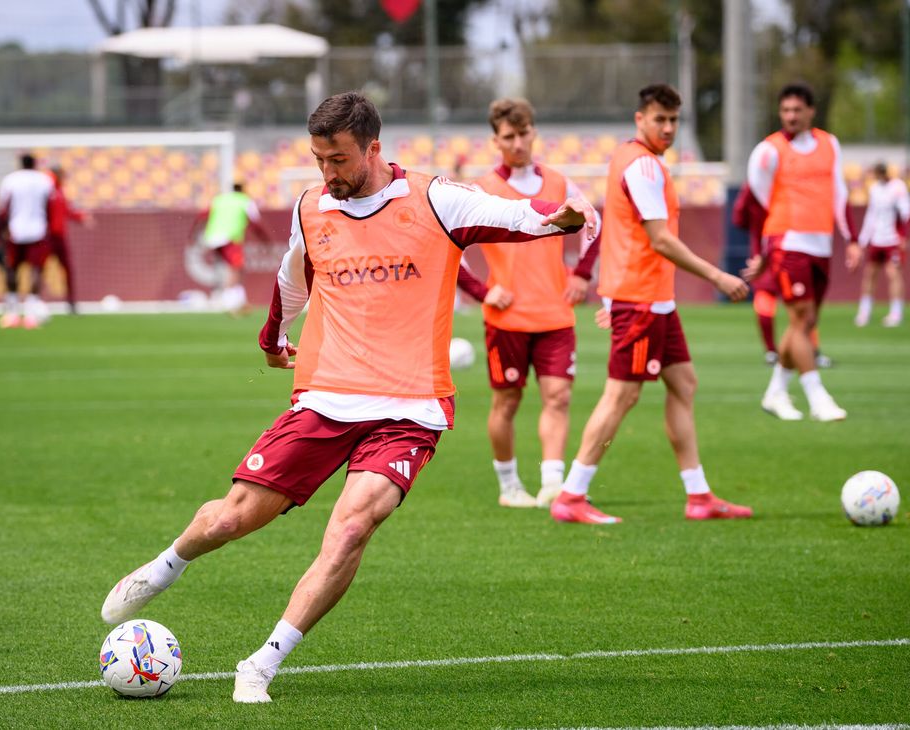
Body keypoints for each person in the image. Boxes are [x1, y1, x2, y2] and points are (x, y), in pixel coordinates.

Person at [100, 91, 596, 704]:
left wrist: (567, 214)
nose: (327, 174)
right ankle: (164, 567)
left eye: (338, 160)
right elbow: (293, 270)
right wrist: (273, 334)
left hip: (410, 409)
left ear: (373, 149)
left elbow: (524, 215)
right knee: (232, 517)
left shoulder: (437, 199)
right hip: (327, 397)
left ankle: (262, 661)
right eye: (318, 160)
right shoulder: (312, 206)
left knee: (352, 526)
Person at [551, 84, 752, 526]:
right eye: (659, 119)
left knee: (684, 383)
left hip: (653, 300)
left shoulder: (635, 158)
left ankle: (699, 496)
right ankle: (571, 495)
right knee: (622, 395)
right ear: (639, 119)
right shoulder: (641, 166)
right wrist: (718, 276)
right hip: (640, 300)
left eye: (674, 120)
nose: (668, 128)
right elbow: (659, 239)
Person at [454, 97, 601, 509]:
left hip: (555, 313)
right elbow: (451, 249)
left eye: (523, 133)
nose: (517, 143)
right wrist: (484, 292)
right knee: (507, 402)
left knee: (559, 397)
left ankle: (552, 483)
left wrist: (582, 274)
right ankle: (509, 486)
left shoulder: (558, 182)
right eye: (508, 136)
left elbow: (594, 222)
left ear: (534, 132)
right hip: (507, 317)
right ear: (494, 140)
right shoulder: (481, 189)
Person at [743, 82, 860, 422]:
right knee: (800, 318)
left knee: (807, 322)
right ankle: (816, 395)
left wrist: (850, 237)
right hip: (788, 242)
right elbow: (758, 199)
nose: (791, 116)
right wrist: (767, 244)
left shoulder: (829, 144)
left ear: (811, 111)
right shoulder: (768, 150)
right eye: (785, 110)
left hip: (821, 244)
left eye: (797, 110)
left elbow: (839, 192)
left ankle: (776, 391)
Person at [732, 182, 833, 368]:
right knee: (802, 308)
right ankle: (811, 351)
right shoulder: (790, 182)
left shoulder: (754, 184)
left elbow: (739, 217)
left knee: (783, 304)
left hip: (773, 249)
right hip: (790, 249)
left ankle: (773, 352)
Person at [191, 182, 273, 312]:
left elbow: (201, 216)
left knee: (226, 267)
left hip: (212, 237)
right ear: (243, 190)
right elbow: (256, 223)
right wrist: (265, 240)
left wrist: (193, 234)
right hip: (229, 237)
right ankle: (231, 300)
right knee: (235, 267)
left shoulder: (219, 199)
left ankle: (227, 296)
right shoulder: (245, 201)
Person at [0, 152, 54, 329]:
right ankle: (31, 315)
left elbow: (3, 208)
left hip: (15, 230)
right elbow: (49, 205)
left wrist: (2, 230)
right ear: (35, 164)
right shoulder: (44, 180)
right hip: (38, 230)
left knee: (12, 269)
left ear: (20, 163)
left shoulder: (10, 180)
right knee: (36, 270)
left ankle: (12, 313)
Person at [855, 162, 910, 328]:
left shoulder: (898, 187)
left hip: (892, 239)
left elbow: (906, 213)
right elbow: (871, 215)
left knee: (893, 273)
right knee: (870, 273)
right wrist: (863, 241)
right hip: (876, 239)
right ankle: (864, 311)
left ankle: (896, 312)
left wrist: (903, 236)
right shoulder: (874, 189)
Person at [46, 166, 94, 315]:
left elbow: (67, 211)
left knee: (67, 269)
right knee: (39, 269)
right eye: (61, 175)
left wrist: (81, 217)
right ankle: (33, 302)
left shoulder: (60, 192)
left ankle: (71, 302)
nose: (64, 178)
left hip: (60, 237)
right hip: (47, 237)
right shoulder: (46, 191)